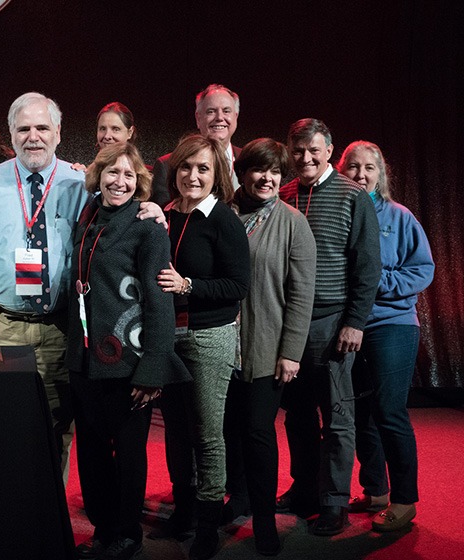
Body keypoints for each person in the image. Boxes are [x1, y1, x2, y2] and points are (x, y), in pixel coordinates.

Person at [0, 92, 164, 483]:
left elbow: (120, 212)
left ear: (58, 132)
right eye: (23, 128)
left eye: (42, 127)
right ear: (11, 134)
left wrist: (151, 208)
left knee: (58, 428)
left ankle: (50, 521)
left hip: (62, 328)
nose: (33, 136)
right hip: (3, 327)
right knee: (4, 425)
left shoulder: (82, 182)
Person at [68, 142, 189, 560]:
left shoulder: (146, 227)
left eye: (129, 176)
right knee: (93, 451)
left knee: (129, 454)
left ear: (139, 183)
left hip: (129, 359)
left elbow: (160, 301)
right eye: (112, 173)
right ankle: (103, 529)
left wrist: (153, 368)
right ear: (98, 175)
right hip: (85, 358)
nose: (119, 182)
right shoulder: (86, 218)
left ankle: (126, 534)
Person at [277, 119, 381, 536]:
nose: (305, 158)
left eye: (314, 150)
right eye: (298, 151)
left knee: (337, 416)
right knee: (297, 415)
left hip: (332, 321)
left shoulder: (353, 196)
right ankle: (305, 489)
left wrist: (355, 321)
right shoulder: (282, 193)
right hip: (289, 324)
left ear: (329, 150)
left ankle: (334, 501)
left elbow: (368, 265)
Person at [155, 134, 250, 560]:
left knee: (208, 434)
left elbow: (238, 285)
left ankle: (209, 522)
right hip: (167, 335)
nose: (193, 176)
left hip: (209, 335)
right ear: (175, 170)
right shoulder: (164, 215)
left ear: (218, 175)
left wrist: (188, 285)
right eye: (186, 167)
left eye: (203, 169)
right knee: (175, 430)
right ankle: (186, 508)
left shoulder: (224, 220)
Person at [224, 138, 316, 555]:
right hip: (219, 344)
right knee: (227, 432)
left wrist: (291, 351)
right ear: (243, 173)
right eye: (260, 170)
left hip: (266, 347)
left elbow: (301, 294)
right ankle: (237, 498)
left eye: (276, 172)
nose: (268, 178)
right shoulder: (222, 213)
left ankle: (263, 520)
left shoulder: (293, 222)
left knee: (258, 433)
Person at [337, 141, 434, 532]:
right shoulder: (337, 213)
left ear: (381, 174)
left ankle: (405, 500)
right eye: (353, 168)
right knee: (360, 414)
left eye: (369, 168)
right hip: (347, 325)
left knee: (389, 411)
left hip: (391, 325)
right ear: (341, 171)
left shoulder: (399, 216)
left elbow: (422, 269)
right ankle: (375, 490)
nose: (361, 175)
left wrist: (379, 281)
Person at [151, 84, 242, 206]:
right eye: (211, 111)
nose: (220, 117)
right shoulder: (167, 165)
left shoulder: (249, 161)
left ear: (235, 117)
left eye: (226, 111)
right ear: (198, 118)